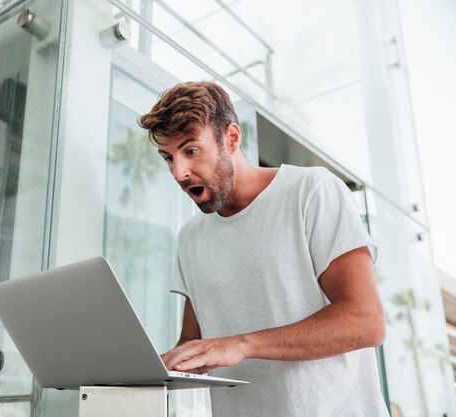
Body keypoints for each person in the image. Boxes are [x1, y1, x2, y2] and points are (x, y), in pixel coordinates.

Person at [138, 81, 389, 417]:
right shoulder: (191, 237)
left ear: (231, 139)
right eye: (168, 157)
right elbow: (195, 347)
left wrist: (242, 345)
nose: (178, 172)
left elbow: (366, 321)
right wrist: (139, 369)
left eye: (191, 150)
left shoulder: (311, 192)